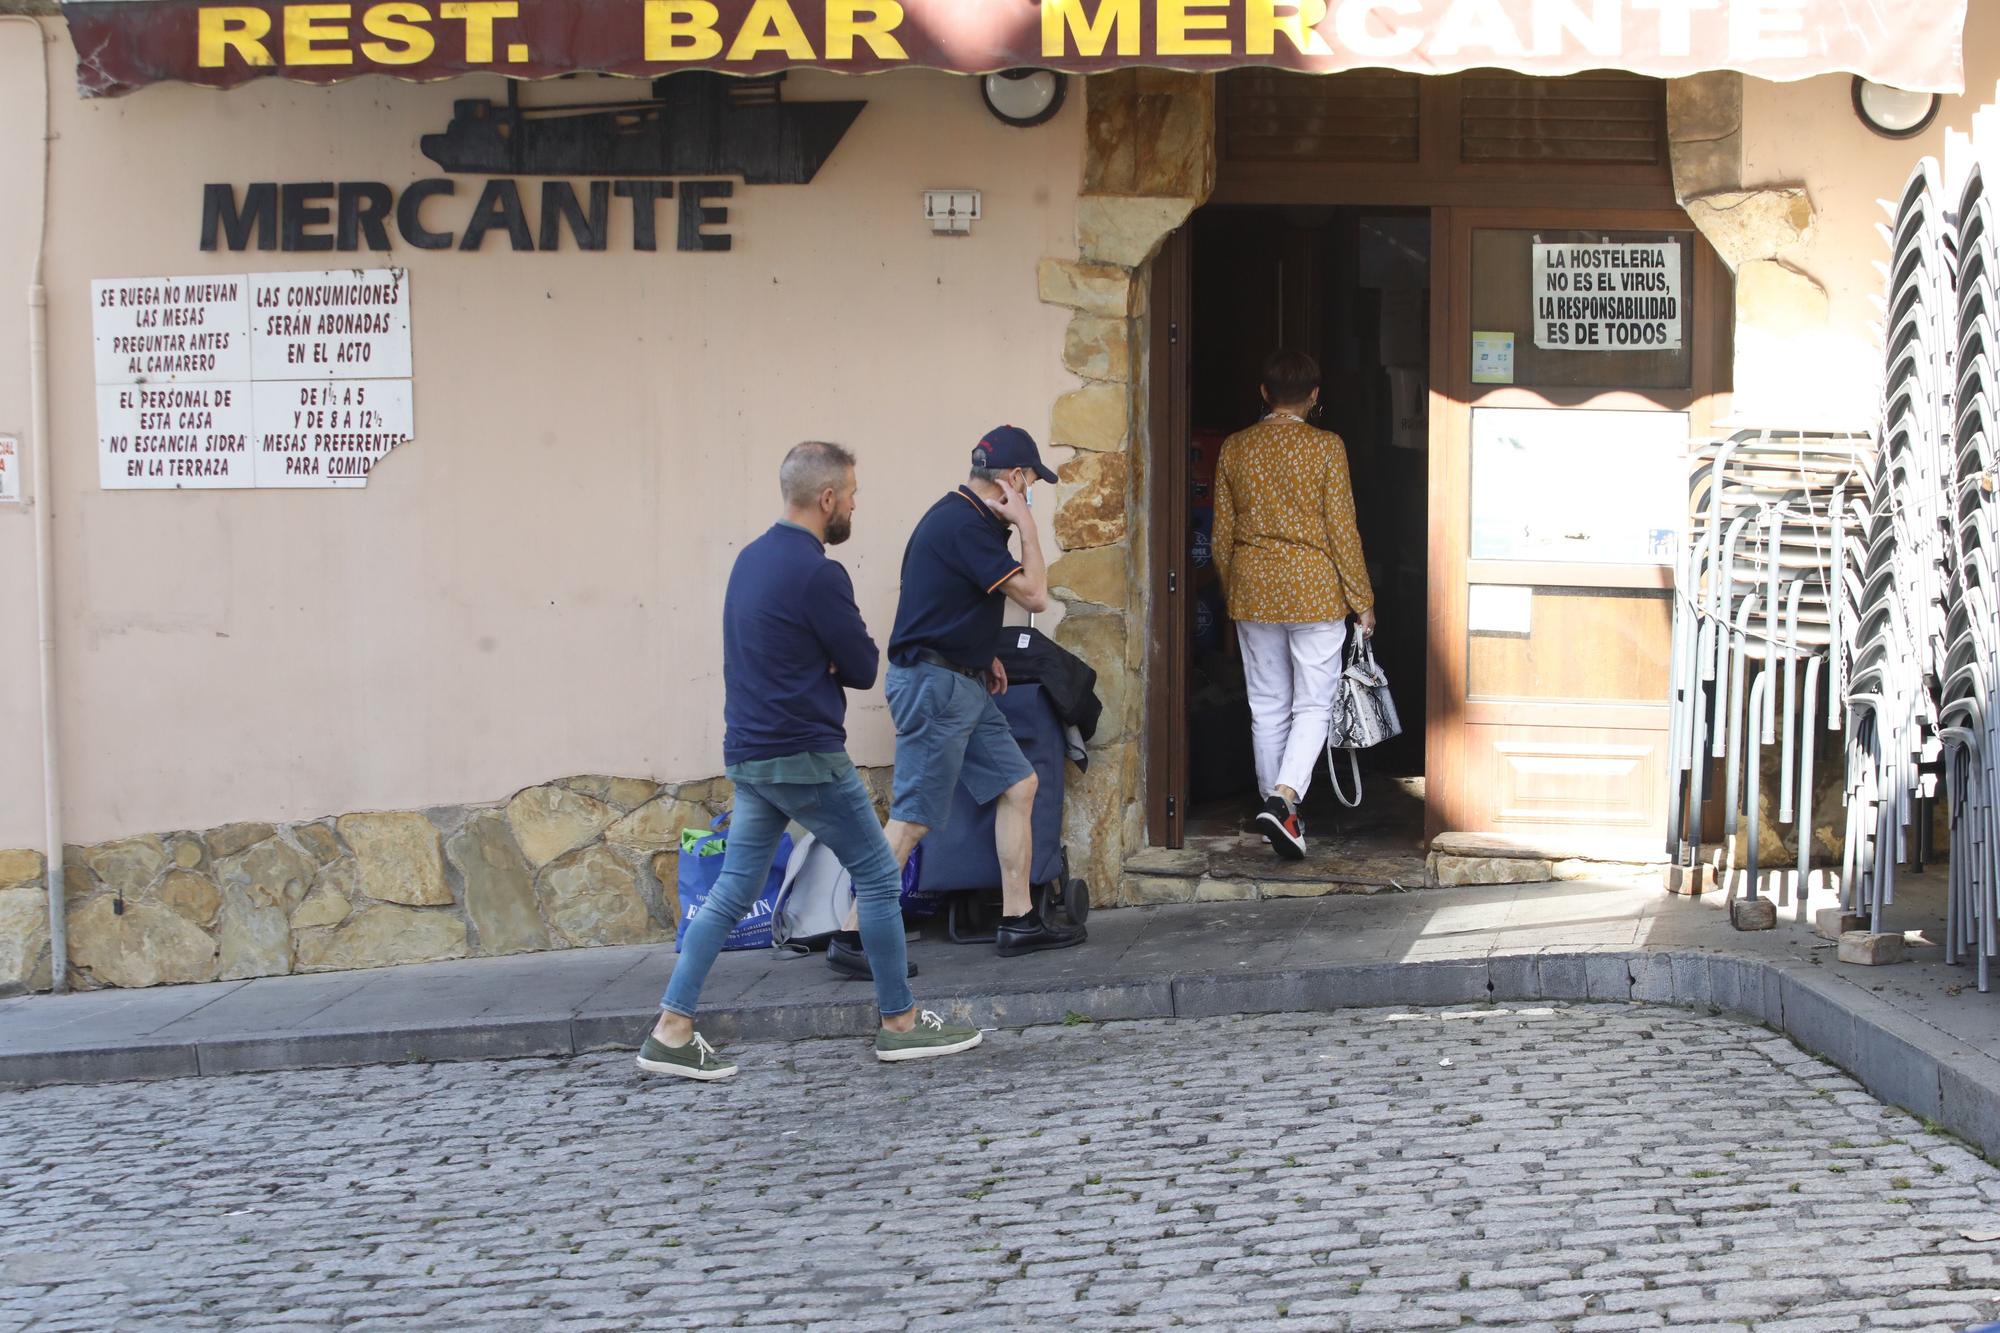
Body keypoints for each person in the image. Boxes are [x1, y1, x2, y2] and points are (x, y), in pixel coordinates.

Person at [637, 440, 982, 1080]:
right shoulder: (820, 574)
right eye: (851, 492)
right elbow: (860, 665)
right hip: (805, 755)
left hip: (749, 752)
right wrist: (824, 659)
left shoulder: (751, 560)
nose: (854, 503)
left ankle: (672, 1028)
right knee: (878, 877)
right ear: (827, 499)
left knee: (734, 891)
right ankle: (900, 1025)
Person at [829, 426, 1087, 969]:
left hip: (960, 679)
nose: (1032, 491)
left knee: (1019, 783)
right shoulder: (965, 524)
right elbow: (1036, 593)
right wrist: (1028, 525)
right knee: (913, 817)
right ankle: (854, 937)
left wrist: (980, 653)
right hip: (936, 687)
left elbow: (945, 602)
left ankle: (1018, 921)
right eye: (1032, 482)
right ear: (1013, 480)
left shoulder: (965, 519)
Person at [1211, 350, 1378, 861]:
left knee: (1266, 705)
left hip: (1253, 587)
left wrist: (1232, 589)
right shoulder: (1327, 448)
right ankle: (1284, 800)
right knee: (1313, 703)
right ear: (1314, 396)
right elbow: (1341, 530)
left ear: (1264, 394)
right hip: (1315, 589)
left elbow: (1221, 537)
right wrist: (1362, 600)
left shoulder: (1235, 448)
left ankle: (1278, 811)